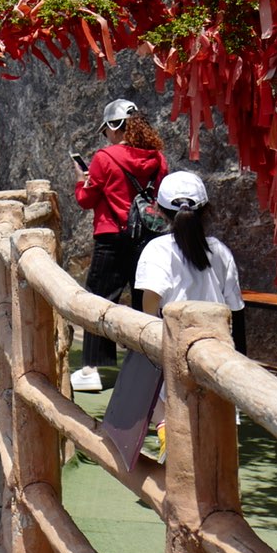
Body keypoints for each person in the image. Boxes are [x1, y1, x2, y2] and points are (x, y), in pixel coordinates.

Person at [69, 99, 170, 392]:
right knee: (145, 302)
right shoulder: (158, 158)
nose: (106, 137)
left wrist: (80, 181)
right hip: (148, 238)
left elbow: (86, 199)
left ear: (115, 127)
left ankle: (92, 369)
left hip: (111, 235)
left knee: (99, 299)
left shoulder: (105, 157)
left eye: (107, 131)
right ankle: (147, 365)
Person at [135, 171, 246, 352]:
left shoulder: (157, 249)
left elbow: (150, 304)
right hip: (218, 345)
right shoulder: (219, 250)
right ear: (206, 209)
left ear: (159, 210)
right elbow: (235, 308)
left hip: (174, 344)